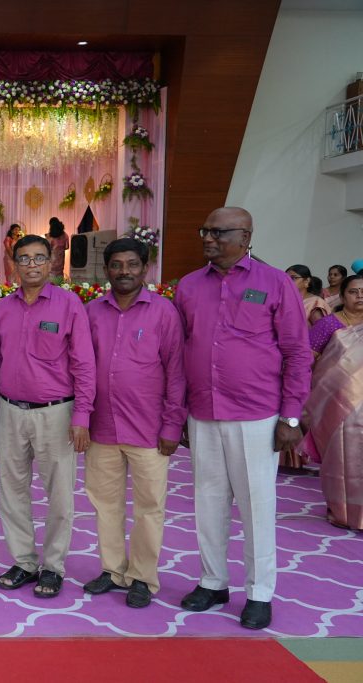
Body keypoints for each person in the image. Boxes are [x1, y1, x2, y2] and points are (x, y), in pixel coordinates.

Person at [174, 207, 311, 630]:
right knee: (208, 502)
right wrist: (180, 412)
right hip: (203, 412)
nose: (208, 238)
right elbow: (181, 351)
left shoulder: (275, 282)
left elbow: (297, 352)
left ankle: (259, 592)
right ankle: (213, 582)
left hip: (257, 414)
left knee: (257, 506)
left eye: (219, 232)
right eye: (205, 230)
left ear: (246, 236)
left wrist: (291, 417)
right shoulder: (189, 286)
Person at [82, 238, 186, 609]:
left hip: (149, 430)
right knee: (105, 504)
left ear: (144, 268)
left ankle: (142, 576)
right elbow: (82, 368)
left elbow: (176, 372)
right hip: (103, 427)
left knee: (149, 507)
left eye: (131, 264)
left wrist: (173, 426)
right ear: (106, 269)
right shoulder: (92, 312)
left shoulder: (163, 312)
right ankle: (112, 570)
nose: (124, 271)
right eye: (116, 265)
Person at [0, 234, 95, 598]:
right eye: (24, 258)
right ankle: (24, 562)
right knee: (12, 491)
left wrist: (82, 416)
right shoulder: (4, 308)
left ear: (52, 262)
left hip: (56, 414)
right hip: (9, 411)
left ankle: (53, 566)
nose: (32, 265)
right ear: (14, 264)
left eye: (39, 258)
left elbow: (84, 364)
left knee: (60, 495)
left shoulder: (69, 305)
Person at [303, 274, 363, 530]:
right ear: (343, 295)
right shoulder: (329, 324)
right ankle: (342, 510)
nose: (360, 296)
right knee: (341, 457)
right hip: (333, 404)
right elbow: (308, 358)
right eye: (354, 292)